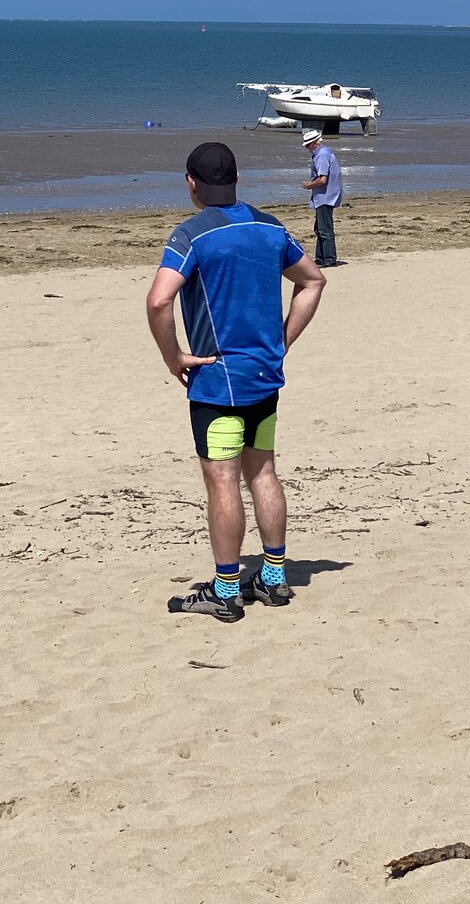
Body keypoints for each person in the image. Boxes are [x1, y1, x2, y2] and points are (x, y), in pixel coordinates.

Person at [146, 142, 326, 622]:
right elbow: (313, 281)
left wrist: (172, 357)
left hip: (219, 383)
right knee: (263, 471)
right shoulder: (270, 227)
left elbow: (159, 300)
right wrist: (281, 343)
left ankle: (226, 590)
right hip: (264, 379)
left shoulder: (192, 234)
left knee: (222, 479)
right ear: (237, 178)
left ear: (191, 183)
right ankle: (273, 578)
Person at [301, 127, 342, 268]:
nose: (307, 148)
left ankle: (329, 259)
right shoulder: (325, 152)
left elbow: (322, 179)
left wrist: (309, 185)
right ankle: (320, 258)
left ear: (314, 144)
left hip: (325, 196)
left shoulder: (321, 155)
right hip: (325, 196)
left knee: (324, 229)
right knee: (320, 228)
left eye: (307, 145)